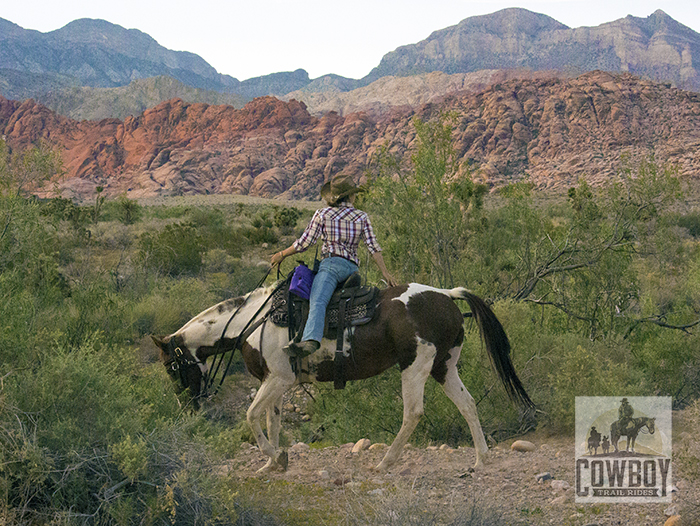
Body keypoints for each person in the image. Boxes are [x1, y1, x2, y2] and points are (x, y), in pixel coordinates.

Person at [271, 174, 398, 357]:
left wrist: (281, 254)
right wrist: (386, 273)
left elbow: (305, 243)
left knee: (318, 299)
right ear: (351, 196)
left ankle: (311, 341)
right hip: (352, 269)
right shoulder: (362, 216)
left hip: (330, 266)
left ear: (335, 197)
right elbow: (373, 247)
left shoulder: (323, 214)